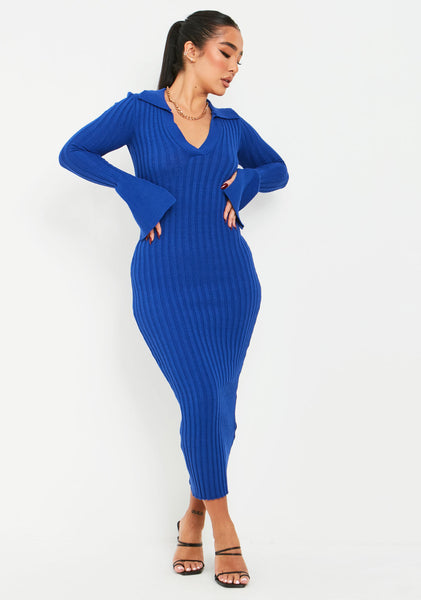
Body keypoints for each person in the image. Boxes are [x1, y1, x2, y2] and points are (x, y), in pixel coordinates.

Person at [58, 9, 289, 589]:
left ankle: (192, 516)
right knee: (202, 398)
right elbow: (75, 152)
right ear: (190, 49)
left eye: (240, 59)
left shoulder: (231, 126)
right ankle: (224, 526)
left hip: (232, 282)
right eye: (226, 52)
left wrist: (249, 181)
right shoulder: (140, 112)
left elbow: (278, 169)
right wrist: (133, 187)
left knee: (218, 405)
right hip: (163, 280)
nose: (234, 67)